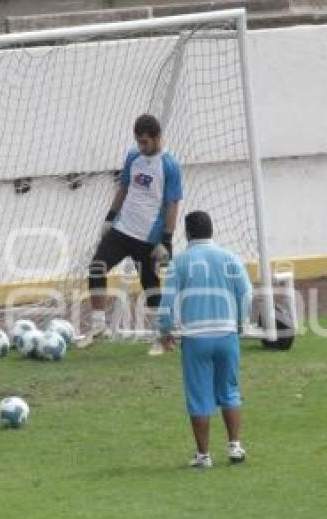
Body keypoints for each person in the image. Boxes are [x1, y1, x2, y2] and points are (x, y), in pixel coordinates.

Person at [157, 211, 252, 468]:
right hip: (227, 335)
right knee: (230, 391)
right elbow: (246, 293)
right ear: (212, 230)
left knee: (199, 397)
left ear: (187, 233)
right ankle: (234, 446)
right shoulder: (229, 257)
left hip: (196, 338)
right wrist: (241, 323)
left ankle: (203, 456)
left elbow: (168, 301)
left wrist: (166, 330)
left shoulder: (181, 262)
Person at [87, 114, 182, 341]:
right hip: (122, 230)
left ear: (158, 137)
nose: (141, 146)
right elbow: (123, 188)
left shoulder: (169, 166)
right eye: (138, 141)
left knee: (150, 286)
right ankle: (99, 324)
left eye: (145, 142)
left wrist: (166, 240)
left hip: (148, 238)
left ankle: (162, 331)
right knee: (96, 268)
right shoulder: (133, 157)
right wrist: (110, 218)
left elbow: (173, 204)